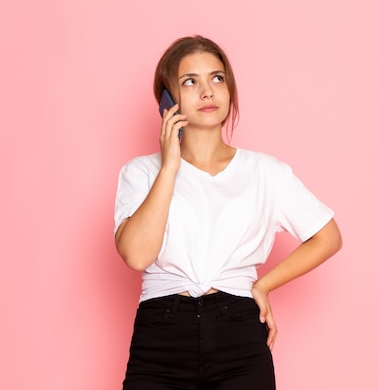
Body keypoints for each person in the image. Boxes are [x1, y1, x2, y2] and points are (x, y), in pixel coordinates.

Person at [114, 35, 342, 390]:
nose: (208, 91)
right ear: (167, 100)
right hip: (161, 335)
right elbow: (137, 255)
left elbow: (328, 236)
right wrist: (170, 166)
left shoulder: (267, 172)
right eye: (191, 81)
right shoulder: (141, 172)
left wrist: (264, 285)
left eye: (217, 78)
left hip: (238, 332)